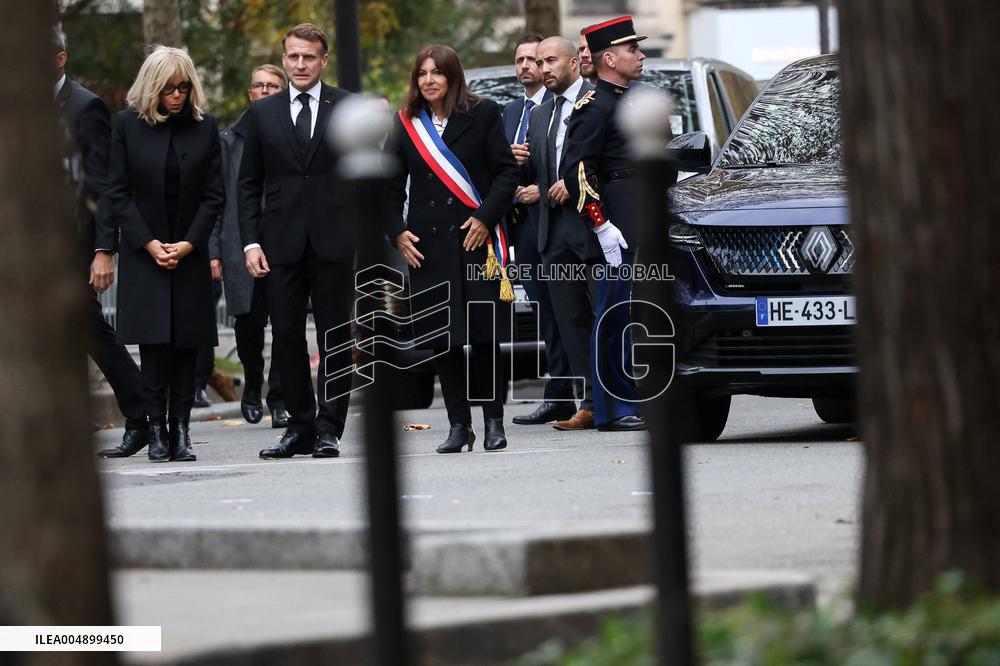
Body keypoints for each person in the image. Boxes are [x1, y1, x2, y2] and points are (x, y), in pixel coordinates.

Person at [387, 44, 519, 453]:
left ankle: (493, 422)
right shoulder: (406, 123)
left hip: (475, 240)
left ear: (453, 76)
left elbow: (506, 173)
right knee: (443, 339)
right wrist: (397, 233)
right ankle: (459, 426)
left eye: (437, 72)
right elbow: (388, 187)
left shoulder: (483, 112)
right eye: (422, 73)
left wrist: (485, 217)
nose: (429, 80)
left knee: (484, 336)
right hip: (428, 247)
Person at [238, 23, 353, 459]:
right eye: (293, 56)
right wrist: (250, 243)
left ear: (324, 60)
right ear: (284, 58)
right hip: (280, 243)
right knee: (285, 335)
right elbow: (248, 183)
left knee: (334, 337)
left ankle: (329, 429)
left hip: (334, 241)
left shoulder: (346, 106)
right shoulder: (263, 113)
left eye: (309, 57)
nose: (300, 64)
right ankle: (299, 426)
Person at [106, 46, 223, 461]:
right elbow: (118, 192)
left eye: (183, 87)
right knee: (154, 346)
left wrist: (190, 243)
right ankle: (156, 430)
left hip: (189, 251)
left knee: (186, 345)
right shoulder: (127, 125)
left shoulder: (206, 127)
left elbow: (214, 195)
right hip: (145, 252)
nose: (176, 95)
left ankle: (181, 431)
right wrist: (149, 243)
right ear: (152, 88)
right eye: (168, 88)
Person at [561, 16, 664, 432]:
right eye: (631, 49)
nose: (640, 55)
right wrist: (601, 224)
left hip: (640, 218)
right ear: (608, 59)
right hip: (614, 226)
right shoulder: (595, 105)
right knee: (614, 316)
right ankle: (614, 407)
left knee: (640, 314)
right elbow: (577, 170)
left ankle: (637, 397)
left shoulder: (633, 100)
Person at [51, 27, 149, 458]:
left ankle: (143, 415)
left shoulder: (84, 106)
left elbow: (101, 186)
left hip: (73, 246)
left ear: (60, 58)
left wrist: (101, 250)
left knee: (90, 331)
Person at [523, 36, 603, 431]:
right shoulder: (540, 114)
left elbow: (610, 162)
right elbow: (541, 172)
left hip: (594, 226)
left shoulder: (599, 102)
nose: (543, 69)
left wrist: (574, 184)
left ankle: (620, 398)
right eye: (540, 62)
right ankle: (590, 402)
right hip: (553, 232)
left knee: (607, 315)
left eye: (550, 60)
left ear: (574, 63)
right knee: (570, 322)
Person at [501, 35, 578, 426]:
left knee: (567, 309)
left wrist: (540, 188)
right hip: (518, 226)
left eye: (536, 59)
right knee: (546, 312)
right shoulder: (511, 111)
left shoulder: (561, 104)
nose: (528, 66)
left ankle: (579, 393)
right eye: (520, 60)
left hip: (552, 221)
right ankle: (560, 394)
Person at [209, 63, 290, 428]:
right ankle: (252, 384)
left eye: (273, 86)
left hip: (286, 242)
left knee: (286, 323)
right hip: (241, 243)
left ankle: (280, 397)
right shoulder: (228, 141)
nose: (265, 91)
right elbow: (216, 200)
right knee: (248, 325)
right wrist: (213, 251)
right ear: (250, 94)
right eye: (259, 85)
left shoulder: (296, 133)